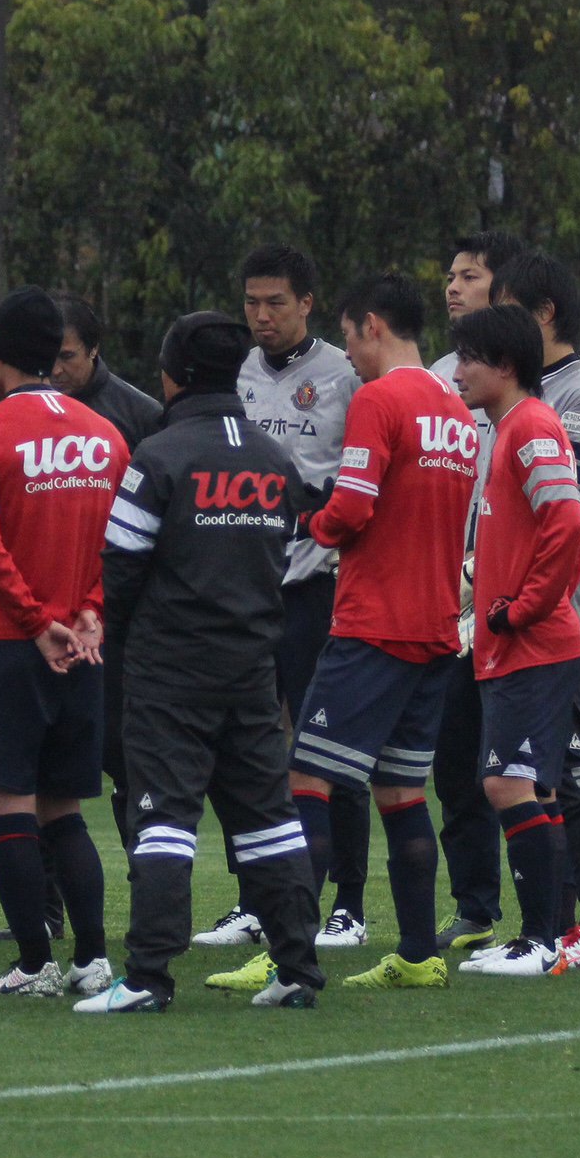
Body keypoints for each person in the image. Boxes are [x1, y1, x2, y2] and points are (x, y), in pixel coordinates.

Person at [77, 312, 322, 1014]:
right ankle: (298, 970)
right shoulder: (275, 461)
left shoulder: (159, 455)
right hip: (251, 666)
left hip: (169, 668)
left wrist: (126, 638)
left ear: (173, 376)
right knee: (268, 817)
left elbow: (119, 569)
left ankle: (149, 978)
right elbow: (288, 547)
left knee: (162, 817)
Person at [270, 274, 474, 993]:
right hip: (435, 629)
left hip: (374, 623)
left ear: (372, 326)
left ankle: (285, 953)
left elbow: (352, 509)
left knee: (308, 777)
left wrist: (303, 528)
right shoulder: (454, 406)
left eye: (351, 338)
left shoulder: (381, 399)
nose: (348, 355)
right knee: (401, 791)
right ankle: (419, 955)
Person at [0, 288, 122, 1001]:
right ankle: (94, 957)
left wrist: (31, 618)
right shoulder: (106, 436)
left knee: (12, 806)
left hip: (9, 643)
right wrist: (87, 613)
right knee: (67, 810)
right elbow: (120, 543)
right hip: (79, 650)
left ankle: (31, 961)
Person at [220, 244, 365, 950]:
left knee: (332, 745)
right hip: (249, 588)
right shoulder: (241, 373)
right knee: (248, 746)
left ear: (306, 304)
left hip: (316, 585)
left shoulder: (343, 375)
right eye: (252, 302)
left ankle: (349, 903)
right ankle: (257, 898)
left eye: (276, 302)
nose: (262, 315)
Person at [447, 305, 580, 977]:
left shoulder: (531, 425)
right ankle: (551, 936)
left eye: (469, 358)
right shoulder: (506, 430)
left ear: (505, 364)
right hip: (512, 647)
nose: (458, 372)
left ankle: (538, 943)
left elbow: (571, 525)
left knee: (505, 783)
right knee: (528, 788)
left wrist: (520, 609)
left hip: (533, 645)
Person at [494, 251, 580, 968]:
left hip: (559, 615)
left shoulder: (578, 396)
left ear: (542, 315)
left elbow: (563, 514)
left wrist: (523, 595)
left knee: (569, 766)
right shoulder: (536, 393)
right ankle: (555, 922)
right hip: (528, 614)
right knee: (534, 772)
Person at [426, 230, 526, 953]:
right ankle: (476, 906)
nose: (454, 287)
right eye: (450, 276)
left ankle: (569, 916)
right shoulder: (437, 379)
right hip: (447, 601)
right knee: (454, 759)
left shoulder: (534, 395)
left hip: (511, 602)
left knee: (533, 769)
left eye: (470, 276)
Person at [51, 291, 164, 447]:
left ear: (93, 349)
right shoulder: (22, 410)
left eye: (67, 356)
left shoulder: (141, 414)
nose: (56, 370)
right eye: (47, 356)